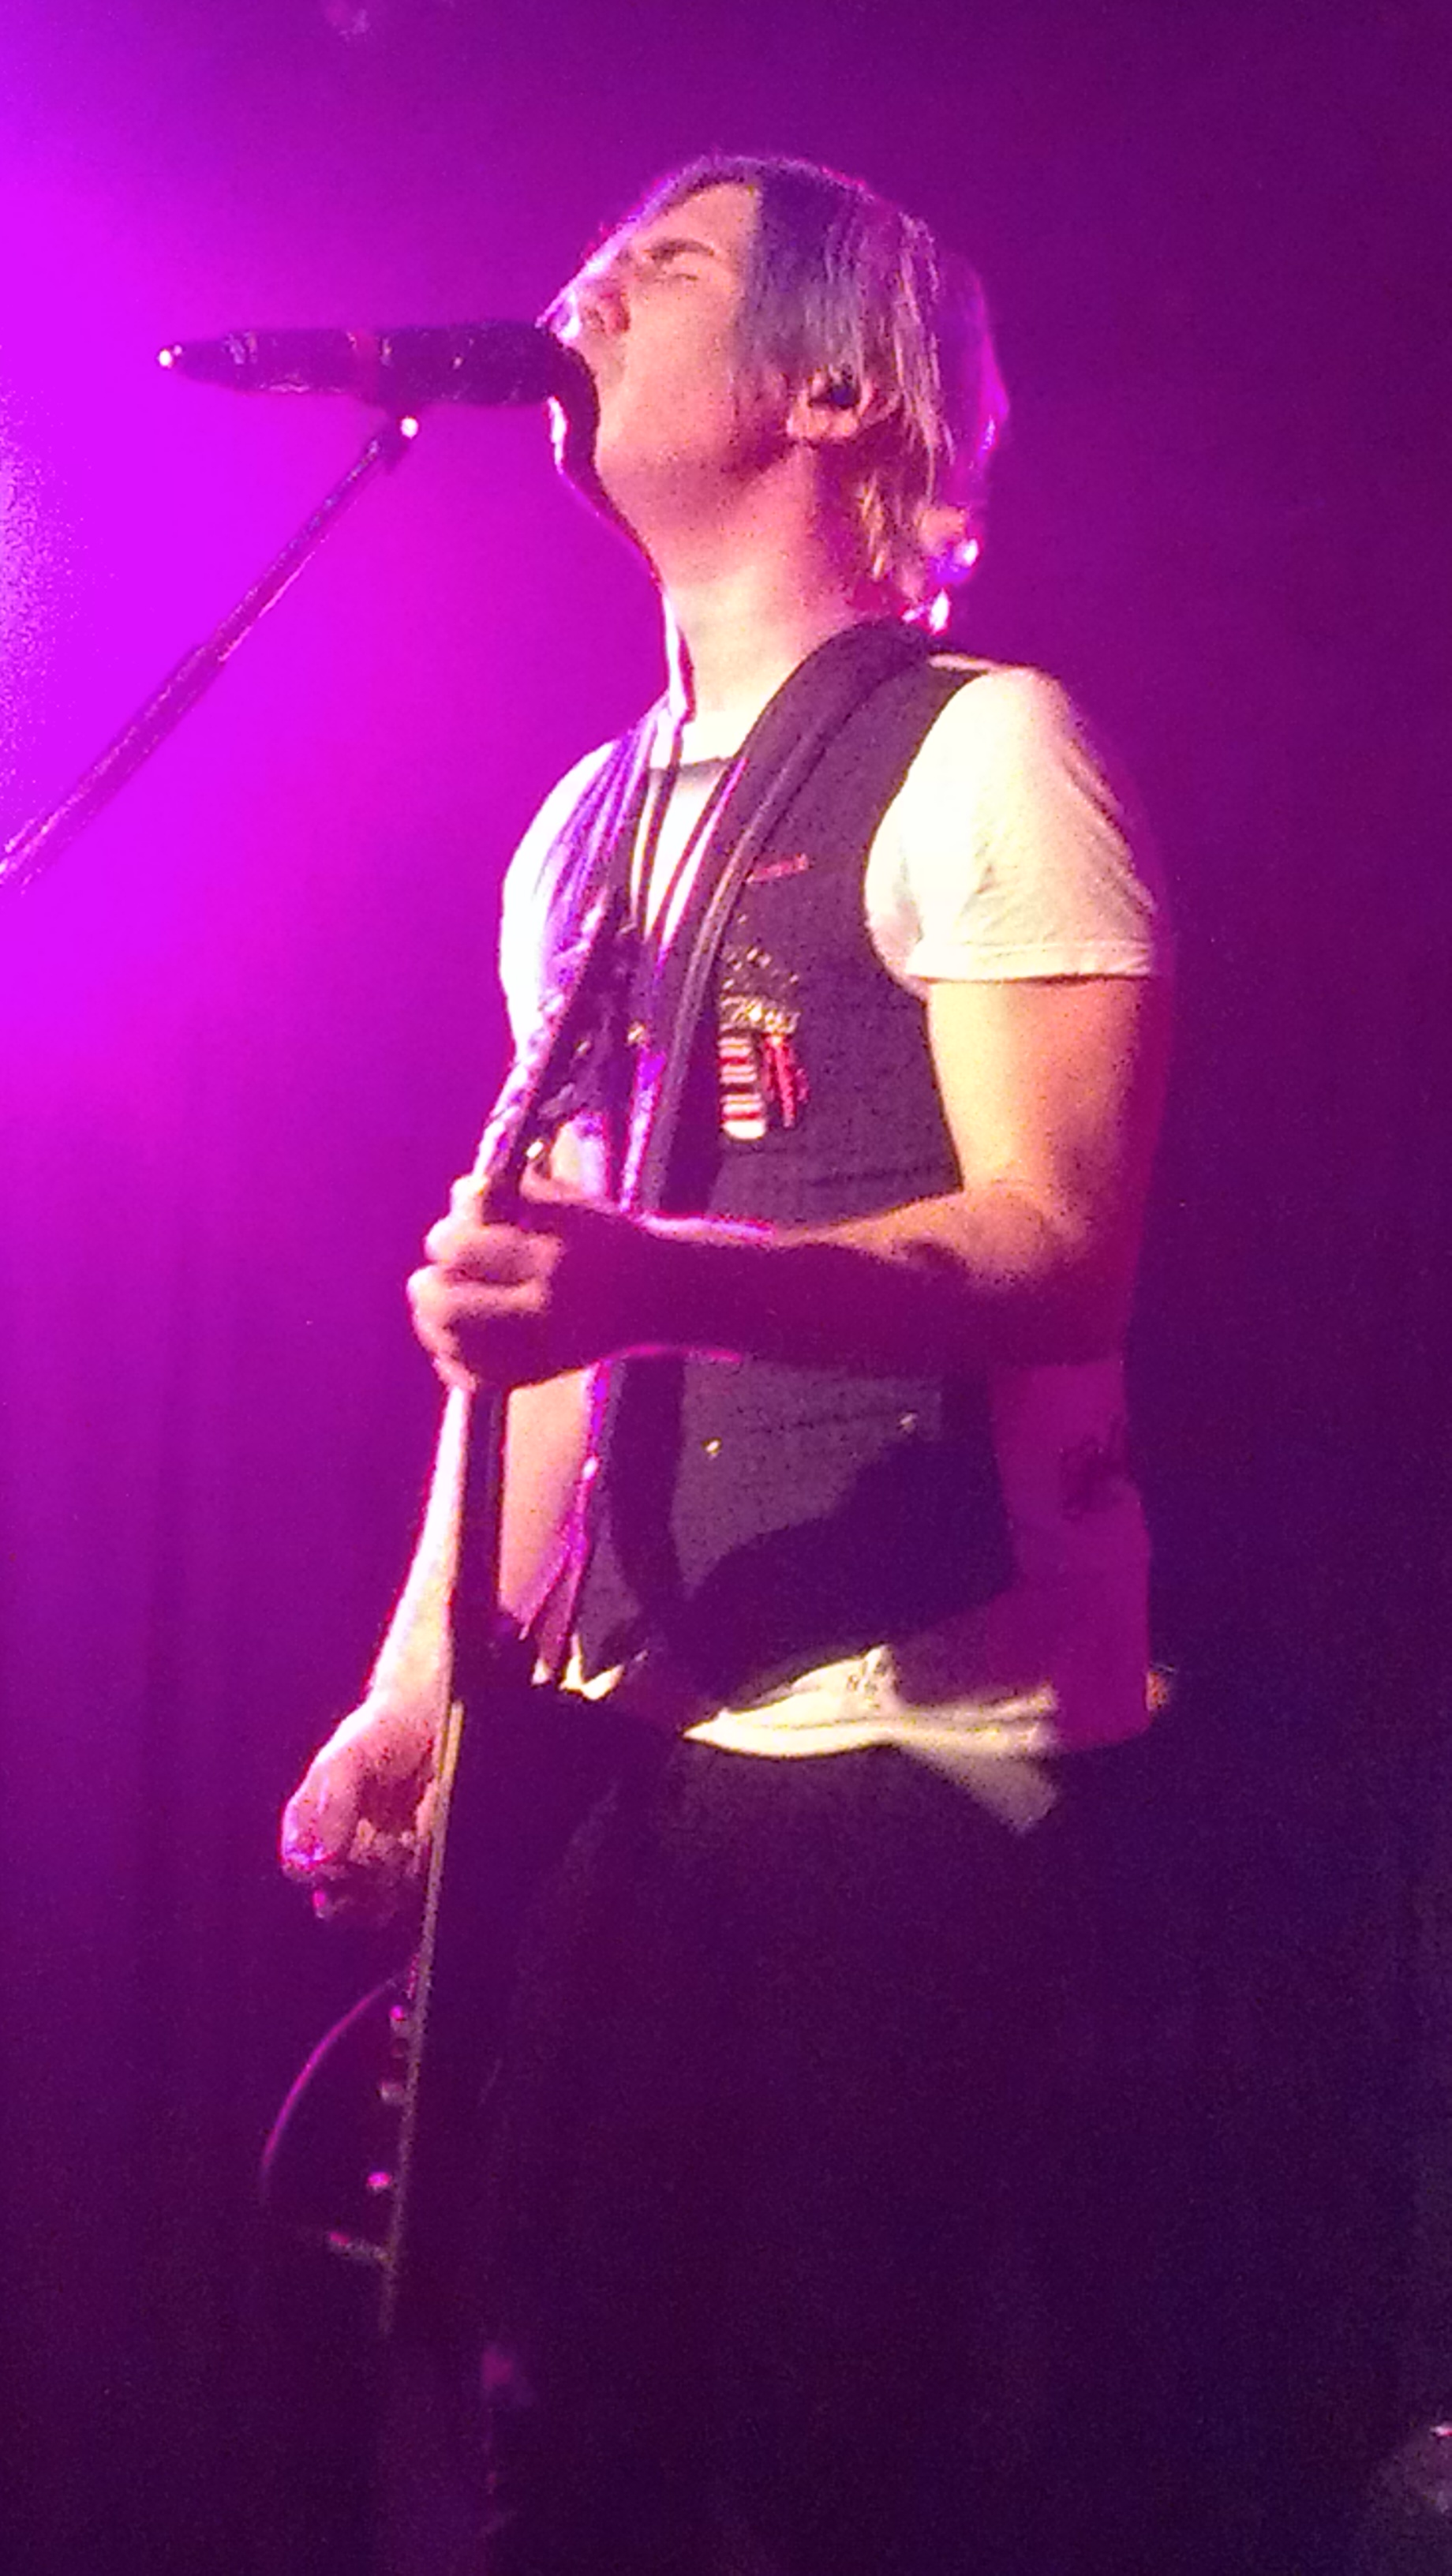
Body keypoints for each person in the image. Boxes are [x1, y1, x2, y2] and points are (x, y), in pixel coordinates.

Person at [282, 155, 1173, 2576]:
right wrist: (416, 1691)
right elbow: (544, 1322)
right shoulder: (580, 833)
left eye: (658, 266)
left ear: (838, 385)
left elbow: (1060, 1245)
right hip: (649, 1737)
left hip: (923, 1748)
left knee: (834, 2468)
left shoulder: (991, 754)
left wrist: (652, 1281)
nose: (582, 292)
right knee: (561, 2438)